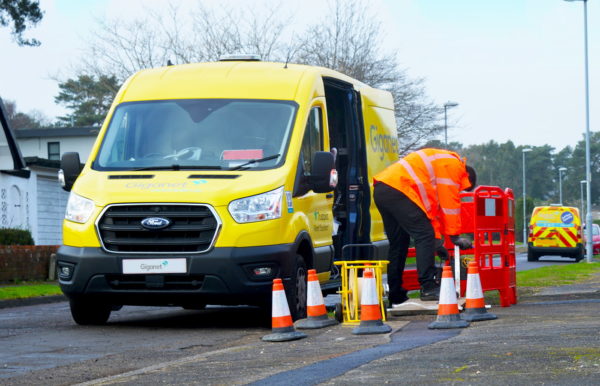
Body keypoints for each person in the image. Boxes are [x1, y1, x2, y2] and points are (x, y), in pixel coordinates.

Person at [373, 148, 476, 304]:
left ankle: (395, 294)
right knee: (424, 236)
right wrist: (455, 237)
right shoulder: (453, 167)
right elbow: (450, 206)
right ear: (466, 176)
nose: (459, 189)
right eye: (462, 187)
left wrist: (437, 242)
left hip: (383, 188)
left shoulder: (440, 165)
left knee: (399, 244)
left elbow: (431, 214)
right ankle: (428, 287)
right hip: (399, 189)